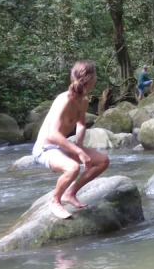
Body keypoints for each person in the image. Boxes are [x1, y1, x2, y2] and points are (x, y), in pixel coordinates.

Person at [32, 60, 110, 219]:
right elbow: (53, 135)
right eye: (95, 75)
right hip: (45, 149)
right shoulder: (64, 100)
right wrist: (79, 152)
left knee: (103, 161)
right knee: (73, 168)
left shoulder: (84, 100)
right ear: (90, 78)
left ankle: (70, 193)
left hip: (63, 146)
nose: (96, 79)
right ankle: (55, 201)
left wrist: (78, 147)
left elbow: (81, 124)